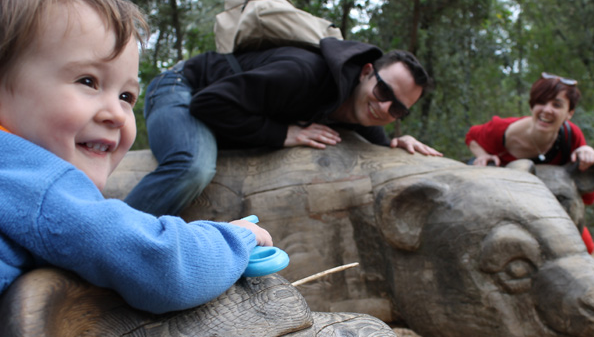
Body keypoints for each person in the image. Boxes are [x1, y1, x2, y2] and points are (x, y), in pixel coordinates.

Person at [0, 0, 272, 314]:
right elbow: (164, 268)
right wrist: (238, 239)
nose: (116, 113)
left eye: (127, 95)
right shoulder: (33, 182)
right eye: (88, 81)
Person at [124, 39, 443, 217]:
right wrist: (283, 133)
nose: (385, 108)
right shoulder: (303, 74)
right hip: (183, 87)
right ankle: (104, 238)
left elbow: (377, 148)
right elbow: (208, 105)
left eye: (398, 108)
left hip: (215, 109)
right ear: (366, 72)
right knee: (193, 167)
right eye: (384, 92)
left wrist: (398, 146)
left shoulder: (358, 110)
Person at [465, 72, 594, 252]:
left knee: (586, 247)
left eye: (557, 105)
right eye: (541, 102)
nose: (547, 110)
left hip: (552, 213)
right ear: (532, 106)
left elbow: (588, 196)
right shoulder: (503, 131)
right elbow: (472, 137)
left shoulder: (571, 136)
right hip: (505, 208)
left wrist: (587, 156)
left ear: (570, 113)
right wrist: (483, 155)